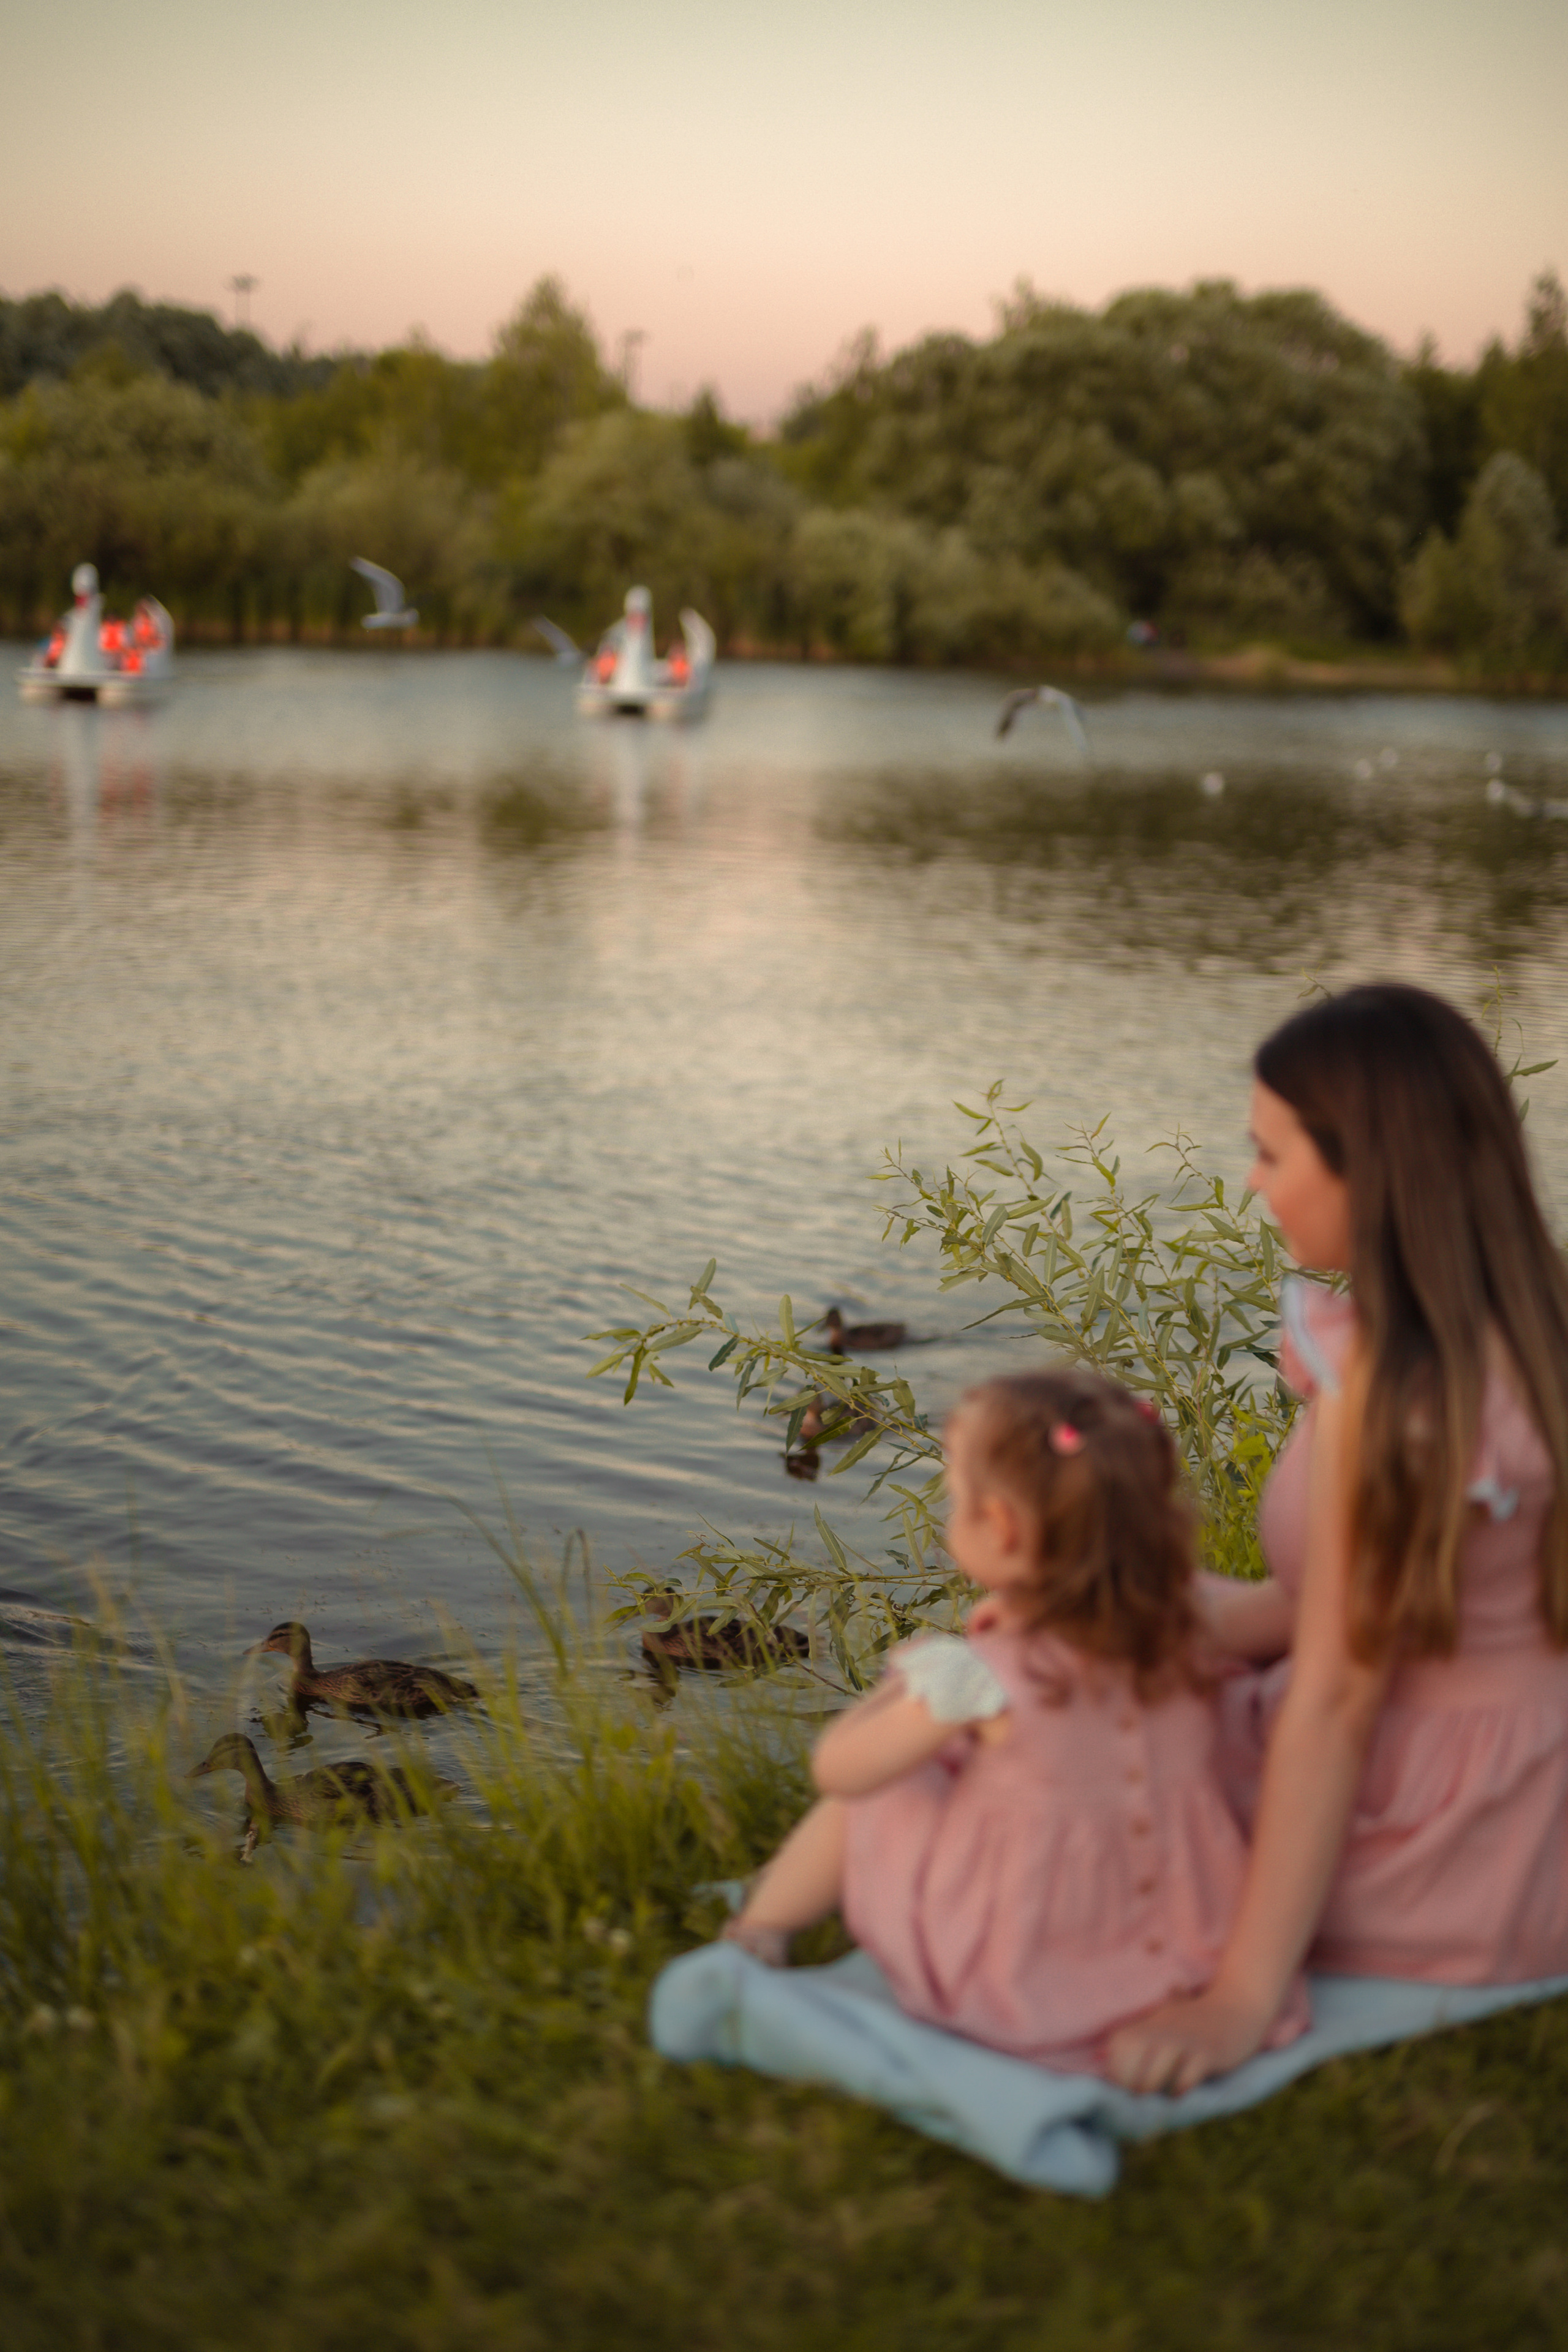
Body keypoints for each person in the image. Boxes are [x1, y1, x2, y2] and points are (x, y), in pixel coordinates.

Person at [1109, 983, 1568, 2095]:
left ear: (1368, 1166)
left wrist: (1240, 2000)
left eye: (1271, 1153)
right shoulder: (1530, 1335)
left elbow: (1337, 1697)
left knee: (1069, 1785)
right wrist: (1178, 1602)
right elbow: (1400, 1603)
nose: (1254, 1182)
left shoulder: (1398, 1396)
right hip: (1530, 1777)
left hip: (1444, 1822)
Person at [723, 1369, 1309, 2075]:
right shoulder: (1189, 1625)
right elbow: (1299, 1608)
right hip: (1191, 1945)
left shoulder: (987, 1678)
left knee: (894, 1781)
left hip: (1024, 1967)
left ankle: (762, 1928)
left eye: (955, 1500)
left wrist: (922, 1675)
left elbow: (838, 1770)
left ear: (999, 1526)